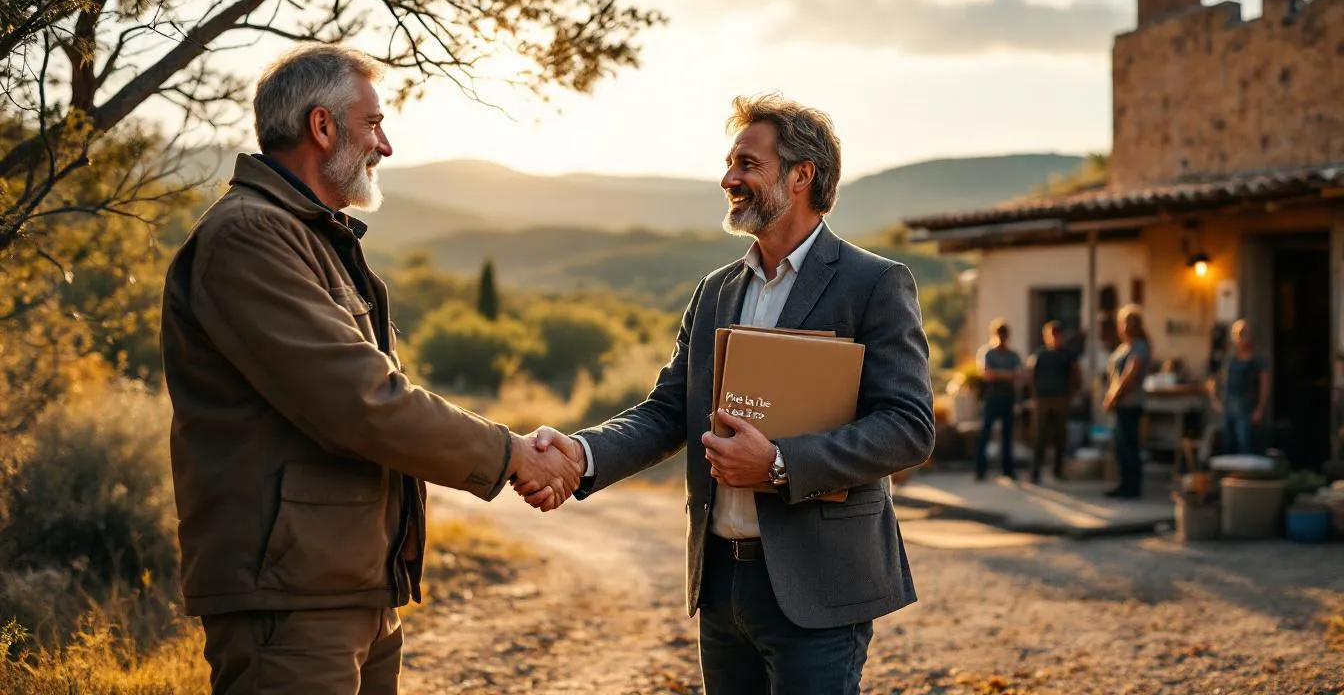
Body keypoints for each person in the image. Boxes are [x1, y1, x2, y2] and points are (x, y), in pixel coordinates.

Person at [159, 45, 582, 694]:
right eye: (374, 124)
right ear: (321, 127)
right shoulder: (249, 236)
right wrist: (511, 454)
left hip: (344, 588)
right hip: (290, 604)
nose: (385, 146)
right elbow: (359, 400)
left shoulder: (308, 235)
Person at [519, 93, 934, 694]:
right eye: (730, 163)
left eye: (746, 164)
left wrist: (781, 464)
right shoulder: (715, 291)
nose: (728, 178)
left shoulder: (874, 284)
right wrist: (581, 454)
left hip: (817, 585)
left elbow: (908, 426)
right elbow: (669, 411)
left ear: (801, 176)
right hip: (720, 584)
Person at [1102, 304, 1151, 499]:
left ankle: (1132, 487)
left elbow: (1130, 374)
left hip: (1131, 403)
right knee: (1120, 447)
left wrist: (1114, 396)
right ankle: (1123, 484)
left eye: (1127, 323)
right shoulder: (1124, 347)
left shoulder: (1140, 346)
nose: (1124, 326)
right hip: (1120, 404)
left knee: (1130, 447)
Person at [1027, 320, 1081, 484]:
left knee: (1059, 436)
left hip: (1060, 399)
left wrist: (1071, 394)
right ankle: (1035, 472)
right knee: (1040, 436)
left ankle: (1057, 470)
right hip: (1043, 399)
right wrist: (1033, 395)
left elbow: (1076, 375)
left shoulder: (1068, 355)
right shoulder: (1040, 355)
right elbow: (1031, 376)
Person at [1206, 319, 1271, 455]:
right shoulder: (1229, 359)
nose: (1243, 338)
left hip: (1247, 409)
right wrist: (1214, 400)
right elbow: (1213, 378)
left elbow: (1265, 385)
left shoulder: (1258, 360)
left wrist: (1260, 409)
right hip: (1229, 408)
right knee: (1229, 444)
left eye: (1245, 333)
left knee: (1245, 444)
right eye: (1240, 334)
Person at [976, 319, 1024, 481]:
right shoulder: (988, 353)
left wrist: (999, 374)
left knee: (1008, 436)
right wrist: (1007, 375)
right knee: (985, 435)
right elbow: (987, 374)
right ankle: (980, 470)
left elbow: (1019, 374)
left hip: (1008, 399)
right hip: (991, 399)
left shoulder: (1013, 355)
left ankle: (1008, 470)